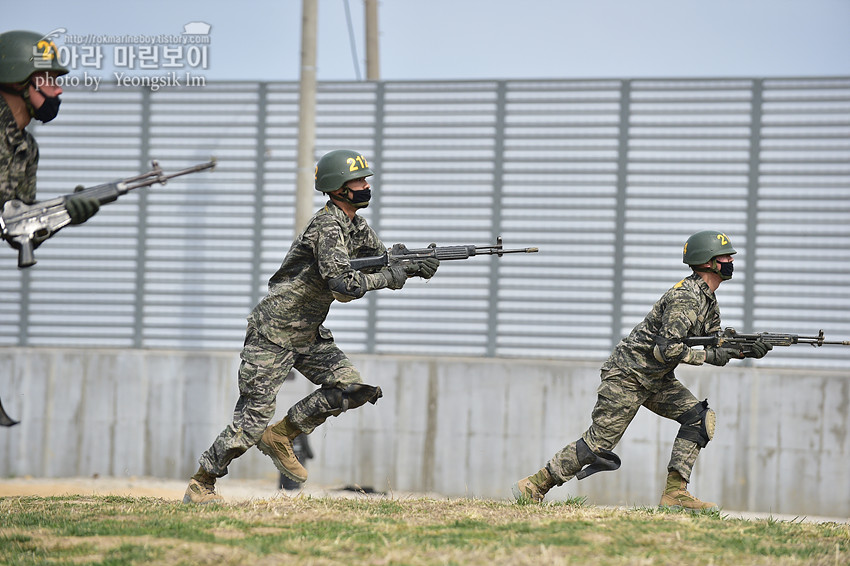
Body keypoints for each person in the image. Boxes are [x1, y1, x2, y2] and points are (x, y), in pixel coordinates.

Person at [183, 149, 439, 504]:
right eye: (359, 181)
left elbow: (381, 261)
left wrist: (414, 264)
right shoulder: (326, 227)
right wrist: (392, 277)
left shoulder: (355, 226)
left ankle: (283, 435)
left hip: (307, 333)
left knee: (350, 387)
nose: (366, 186)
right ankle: (202, 482)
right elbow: (344, 285)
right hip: (273, 334)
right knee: (250, 422)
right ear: (338, 188)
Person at [511, 230, 772, 511]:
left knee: (698, 419)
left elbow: (714, 352)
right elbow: (666, 349)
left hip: (656, 378)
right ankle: (535, 484)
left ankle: (675, 494)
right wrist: (707, 354)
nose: (731, 259)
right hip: (627, 375)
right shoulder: (685, 298)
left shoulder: (708, 301)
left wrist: (742, 350)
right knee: (598, 444)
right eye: (725, 255)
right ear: (708, 261)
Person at [0, 30, 99, 224]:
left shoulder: (26, 147)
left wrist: (65, 213)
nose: (58, 89)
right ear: (18, 81)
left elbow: (19, 227)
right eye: (49, 79)